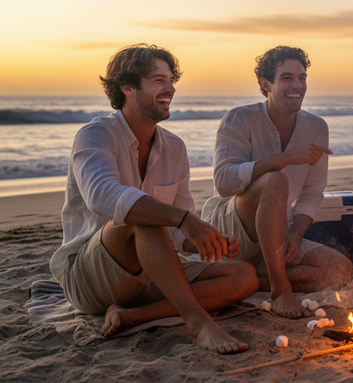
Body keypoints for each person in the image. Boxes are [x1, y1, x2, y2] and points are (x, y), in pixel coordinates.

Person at [50, 44, 257, 354]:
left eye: (172, 80)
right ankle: (198, 321)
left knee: (244, 276)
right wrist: (187, 221)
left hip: (152, 274)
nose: (171, 88)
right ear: (127, 87)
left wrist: (202, 241)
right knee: (142, 217)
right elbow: (103, 197)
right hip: (91, 277)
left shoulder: (175, 147)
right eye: (159, 80)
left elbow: (176, 231)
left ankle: (132, 316)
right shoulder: (95, 136)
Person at [202, 46, 352, 319]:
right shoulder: (239, 118)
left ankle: (253, 280)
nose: (297, 85)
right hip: (232, 228)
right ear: (265, 84)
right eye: (287, 78)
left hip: (276, 231)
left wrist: (295, 234)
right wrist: (285, 158)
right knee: (275, 182)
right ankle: (280, 289)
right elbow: (223, 183)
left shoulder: (317, 127)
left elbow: (312, 191)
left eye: (302, 78)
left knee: (340, 269)